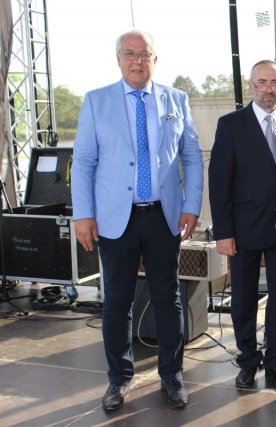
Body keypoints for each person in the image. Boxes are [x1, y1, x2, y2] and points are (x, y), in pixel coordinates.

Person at [71, 29, 203, 410]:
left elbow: (192, 157)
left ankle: (172, 376)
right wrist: (83, 215)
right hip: (115, 219)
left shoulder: (176, 100)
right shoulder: (96, 101)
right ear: (118, 59)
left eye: (144, 54)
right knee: (117, 301)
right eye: (129, 54)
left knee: (168, 299)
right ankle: (118, 379)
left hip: (164, 217)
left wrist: (191, 205)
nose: (137, 60)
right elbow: (83, 163)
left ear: (154, 60)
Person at [209, 60, 276, 390]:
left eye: (274, 82)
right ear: (251, 86)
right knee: (243, 298)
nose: (268, 88)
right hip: (243, 229)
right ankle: (248, 361)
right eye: (262, 82)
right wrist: (224, 232)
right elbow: (219, 182)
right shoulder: (231, 125)